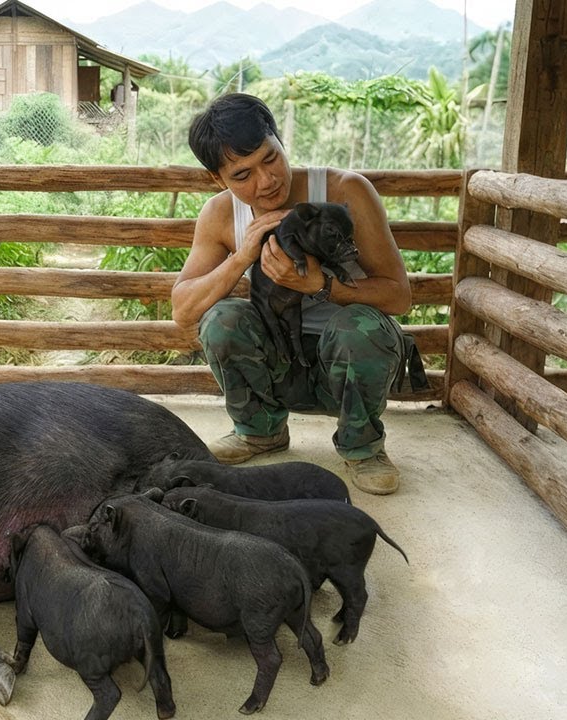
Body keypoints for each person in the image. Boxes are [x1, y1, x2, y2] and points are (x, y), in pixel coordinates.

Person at [173, 93, 419, 495]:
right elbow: (183, 310)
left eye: (270, 158)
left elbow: (399, 297)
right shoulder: (220, 214)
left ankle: (363, 447)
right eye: (242, 175)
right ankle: (259, 431)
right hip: (282, 362)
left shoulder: (344, 192)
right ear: (218, 180)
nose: (266, 180)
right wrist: (241, 259)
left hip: (349, 364)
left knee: (356, 326)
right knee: (222, 319)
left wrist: (321, 286)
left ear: (280, 140)